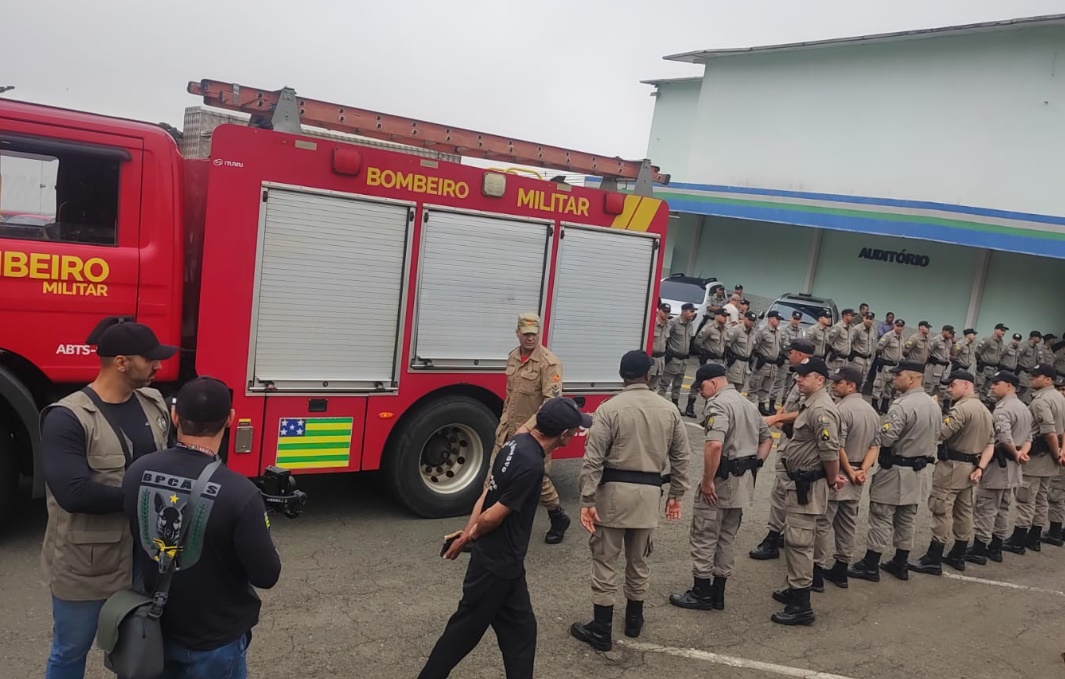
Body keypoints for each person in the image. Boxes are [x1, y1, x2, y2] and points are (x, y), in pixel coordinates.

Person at [39, 319, 175, 679]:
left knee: (138, 650)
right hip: (87, 567)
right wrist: (151, 500)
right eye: (150, 360)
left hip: (145, 559)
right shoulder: (67, 417)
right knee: (71, 651)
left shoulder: (153, 402)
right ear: (121, 362)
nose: (159, 366)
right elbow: (74, 493)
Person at [122, 377, 281, 678]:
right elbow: (266, 575)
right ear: (231, 420)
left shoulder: (137, 471)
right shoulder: (241, 493)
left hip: (153, 627)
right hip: (214, 640)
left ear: (175, 416)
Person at [420, 397, 589, 679]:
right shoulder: (531, 465)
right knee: (461, 635)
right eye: (574, 430)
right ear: (564, 435)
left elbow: (486, 495)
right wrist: (468, 536)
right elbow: (493, 516)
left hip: (507, 565)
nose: (575, 434)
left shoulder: (514, 444)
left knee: (521, 633)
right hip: (496, 566)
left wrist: (466, 534)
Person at [571, 351, 690, 652]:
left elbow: (592, 460)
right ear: (648, 375)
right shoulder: (669, 409)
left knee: (605, 561)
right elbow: (681, 457)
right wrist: (676, 494)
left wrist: (587, 498)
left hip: (613, 495)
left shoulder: (609, 409)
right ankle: (634, 621)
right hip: (649, 495)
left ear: (622, 375)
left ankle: (601, 630)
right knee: (639, 560)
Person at [669, 363, 772, 611]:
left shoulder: (718, 404)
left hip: (721, 482)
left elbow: (714, 445)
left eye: (702, 387)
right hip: (741, 485)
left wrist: (707, 481)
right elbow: (766, 438)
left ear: (713, 383)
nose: (701, 392)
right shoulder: (747, 404)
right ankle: (718, 593)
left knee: (705, 535)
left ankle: (701, 591)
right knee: (727, 537)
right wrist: (753, 464)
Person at [847, 361, 940, 583]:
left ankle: (871, 564)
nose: (894, 378)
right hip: (918, 471)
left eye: (898, 375)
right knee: (907, 518)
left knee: (881, 516)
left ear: (912, 378)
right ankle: (901, 561)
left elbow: (887, 438)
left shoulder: (902, 405)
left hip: (896, 468)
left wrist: (874, 434)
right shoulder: (934, 405)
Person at [485, 313, 571, 545]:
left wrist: (528, 428)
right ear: (517, 333)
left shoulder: (549, 363)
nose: (530, 338)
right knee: (493, 478)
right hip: (507, 430)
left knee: (537, 480)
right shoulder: (513, 357)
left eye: (534, 334)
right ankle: (481, 529)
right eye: (526, 334)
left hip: (535, 435)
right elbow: (510, 395)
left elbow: (550, 404)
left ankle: (557, 516)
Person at [769, 357, 841, 626]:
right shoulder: (809, 405)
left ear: (820, 380)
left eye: (804, 376)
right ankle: (794, 587)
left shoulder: (822, 409)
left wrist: (833, 479)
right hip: (800, 483)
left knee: (799, 542)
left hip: (808, 485)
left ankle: (801, 605)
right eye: (797, 375)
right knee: (794, 539)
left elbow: (830, 450)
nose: (798, 379)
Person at [909, 370, 993, 575]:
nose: (949, 389)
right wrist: (980, 467)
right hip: (970, 466)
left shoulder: (961, 410)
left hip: (952, 467)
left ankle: (934, 556)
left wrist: (934, 409)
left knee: (941, 509)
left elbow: (940, 433)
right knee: (963, 511)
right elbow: (991, 443)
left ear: (966, 385)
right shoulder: (984, 409)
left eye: (952, 385)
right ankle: (959, 553)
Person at [749, 338, 816, 561]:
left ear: (800, 354)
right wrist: (783, 413)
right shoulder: (803, 374)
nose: (789, 355)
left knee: (781, 491)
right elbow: (794, 405)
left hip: (795, 444)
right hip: (790, 437)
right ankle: (782, 534)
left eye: (792, 352)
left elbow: (807, 411)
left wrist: (777, 417)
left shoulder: (811, 376)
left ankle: (773, 537)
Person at [815, 365, 879, 589]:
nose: (833, 385)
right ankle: (841, 568)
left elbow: (836, 446)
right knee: (847, 523)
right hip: (857, 473)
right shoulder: (871, 411)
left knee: (823, 523)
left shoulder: (840, 409)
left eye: (838, 382)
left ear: (851, 385)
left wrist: (850, 471)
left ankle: (816, 570)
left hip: (840, 473)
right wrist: (862, 469)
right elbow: (875, 446)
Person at [965, 370, 1030, 564]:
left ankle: (979, 548)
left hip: (999, 465)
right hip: (1013, 468)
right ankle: (996, 546)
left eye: (996, 383)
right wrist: (1021, 453)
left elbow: (1004, 438)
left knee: (986, 507)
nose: (992, 386)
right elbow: (1029, 437)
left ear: (1009, 386)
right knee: (1002, 508)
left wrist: (1015, 453)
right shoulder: (1023, 407)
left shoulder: (1003, 409)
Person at [1004, 364, 1065, 553]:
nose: (1031, 379)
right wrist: (1061, 451)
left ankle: (1019, 538)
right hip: (1050, 457)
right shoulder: (1059, 397)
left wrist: (1057, 453)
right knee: (1041, 498)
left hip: (1039, 456)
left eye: (1036, 376)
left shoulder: (1041, 401)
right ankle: (1034, 537)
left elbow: (1049, 432)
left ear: (1048, 379)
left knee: (1026, 498)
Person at [659, 303, 698, 410]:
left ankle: (675, 404)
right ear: (683, 311)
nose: (692, 314)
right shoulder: (674, 323)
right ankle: (659, 405)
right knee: (664, 384)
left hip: (684, 359)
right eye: (690, 311)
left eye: (693, 311)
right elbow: (665, 338)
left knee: (678, 384)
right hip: (673, 358)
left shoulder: (690, 324)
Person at [747, 310, 782, 415]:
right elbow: (754, 346)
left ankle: (761, 406)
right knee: (754, 387)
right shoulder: (762, 332)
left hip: (772, 366)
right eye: (777, 319)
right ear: (770, 319)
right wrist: (757, 357)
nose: (779, 322)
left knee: (766, 388)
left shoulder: (778, 332)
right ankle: (749, 409)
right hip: (762, 364)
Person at [648, 302, 672, 392]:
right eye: (664, 311)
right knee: (645, 385)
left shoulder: (668, 326)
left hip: (661, 360)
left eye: (668, 312)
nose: (666, 314)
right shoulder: (651, 324)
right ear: (658, 311)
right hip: (651, 358)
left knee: (654, 387)